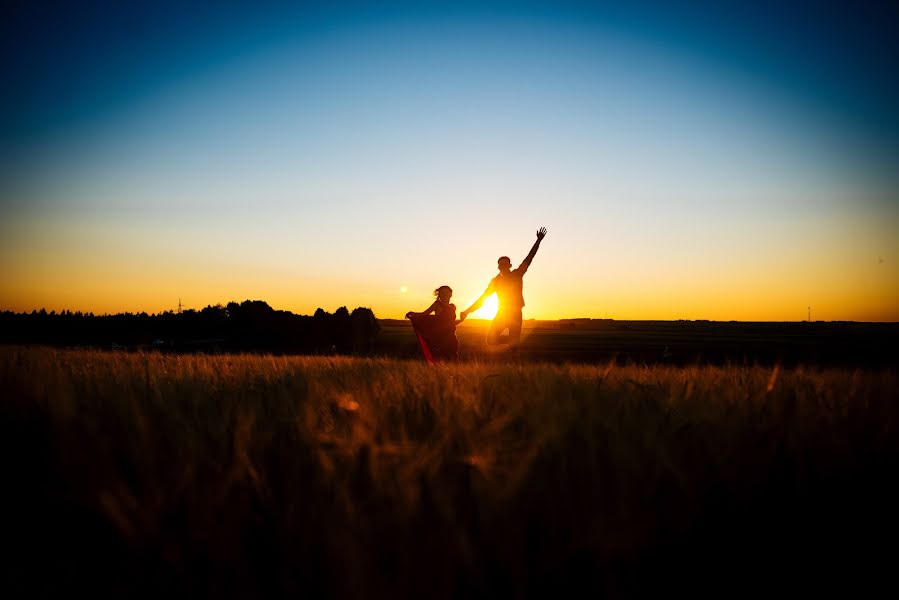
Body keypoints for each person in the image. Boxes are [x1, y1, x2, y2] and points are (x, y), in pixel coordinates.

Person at [459, 227, 547, 352]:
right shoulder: (495, 281)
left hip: (515, 313)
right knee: (491, 340)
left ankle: (514, 351)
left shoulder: (517, 274)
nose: (503, 265)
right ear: (498, 266)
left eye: (506, 263)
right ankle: (512, 341)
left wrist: (538, 241)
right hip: (502, 313)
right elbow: (483, 299)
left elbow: (529, 258)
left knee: (514, 347)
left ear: (510, 265)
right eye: (501, 264)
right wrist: (468, 311)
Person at [405, 285, 461, 362]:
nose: (445, 295)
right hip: (440, 338)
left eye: (447, 292)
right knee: (441, 360)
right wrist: (414, 314)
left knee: (454, 360)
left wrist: (461, 320)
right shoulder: (437, 304)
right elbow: (424, 314)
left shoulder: (453, 307)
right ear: (439, 295)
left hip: (452, 338)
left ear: (451, 294)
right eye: (442, 293)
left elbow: (452, 323)